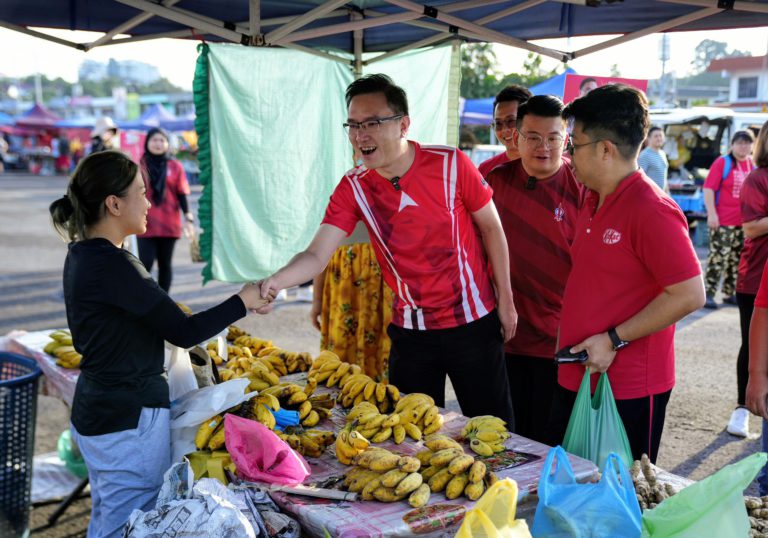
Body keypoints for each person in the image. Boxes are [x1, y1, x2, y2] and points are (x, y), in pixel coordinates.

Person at [259, 74, 516, 424]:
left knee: (494, 432)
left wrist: (507, 302)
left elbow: (492, 228)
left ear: (403, 125)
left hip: (473, 324)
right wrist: (275, 282)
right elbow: (317, 254)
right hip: (411, 334)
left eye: (372, 123)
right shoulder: (354, 187)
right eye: (352, 125)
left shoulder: (451, 163)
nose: (359, 134)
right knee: (410, 438)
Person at [48, 150, 269, 538]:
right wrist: (243, 302)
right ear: (113, 204)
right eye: (140, 192)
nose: (150, 201)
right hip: (125, 421)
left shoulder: (84, 254)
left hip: (102, 409)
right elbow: (183, 331)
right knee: (126, 522)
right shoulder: (112, 265)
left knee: (108, 514)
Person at [549, 84, 705, 463]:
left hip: (628, 387)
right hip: (582, 375)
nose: (569, 156)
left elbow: (689, 294)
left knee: (623, 499)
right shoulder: (592, 195)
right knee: (577, 493)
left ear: (605, 149)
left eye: (575, 145)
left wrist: (614, 339)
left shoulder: (651, 208)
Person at [485, 95, 583, 442]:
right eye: (532, 137)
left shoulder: (584, 185)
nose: (544, 147)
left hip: (561, 342)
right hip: (502, 337)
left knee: (551, 438)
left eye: (553, 137)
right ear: (516, 136)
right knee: (504, 438)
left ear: (565, 138)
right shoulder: (491, 181)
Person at [310, 222, 394, 379]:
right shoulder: (338, 199)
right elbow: (319, 252)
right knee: (342, 363)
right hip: (346, 282)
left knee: (385, 351)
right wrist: (317, 300)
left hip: (374, 279)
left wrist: (317, 301)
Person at [730, 121, 768, 437]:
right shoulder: (758, 178)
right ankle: (741, 409)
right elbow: (751, 227)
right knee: (751, 344)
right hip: (756, 278)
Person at [702, 130, 756, 309]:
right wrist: (712, 214)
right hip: (722, 221)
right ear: (732, 145)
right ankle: (708, 294)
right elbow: (708, 188)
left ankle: (728, 292)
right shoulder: (722, 163)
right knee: (718, 258)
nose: (743, 147)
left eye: (747, 143)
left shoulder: (752, 165)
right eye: (740, 143)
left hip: (744, 223)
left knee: (737, 259)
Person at [137, 127, 194, 292]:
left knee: (165, 265)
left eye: (162, 140)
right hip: (143, 223)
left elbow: (182, 194)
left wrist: (188, 219)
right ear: (147, 142)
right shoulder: (138, 166)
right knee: (144, 264)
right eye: (154, 140)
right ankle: (144, 300)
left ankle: (164, 302)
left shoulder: (175, 166)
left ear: (168, 144)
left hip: (169, 224)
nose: (158, 143)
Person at [478, 84, 532, 178]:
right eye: (498, 123)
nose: (504, 129)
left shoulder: (549, 166)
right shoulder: (486, 170)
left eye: (511, 121)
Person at [638, 125, 669, 191]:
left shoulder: (662, 153)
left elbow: (664, 177)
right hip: (649, 196)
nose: (659, 138)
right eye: (656, 136)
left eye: (660, 136)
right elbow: (639, 178)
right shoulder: (645, 155)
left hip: (661, 195)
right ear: (648, 138)